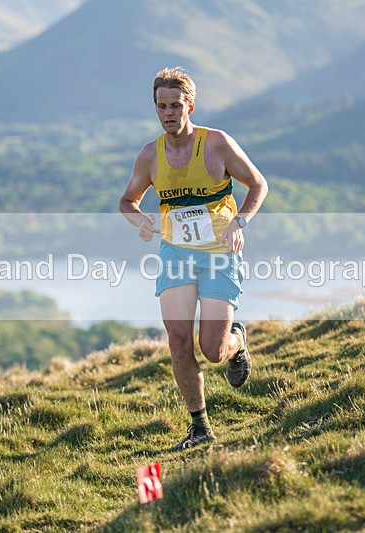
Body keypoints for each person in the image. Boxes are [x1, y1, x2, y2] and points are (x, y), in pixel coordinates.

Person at [119, 66, 268, 451]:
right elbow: (127, 201)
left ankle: (237, 340)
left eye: (175, 105)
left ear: (190, 106)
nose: (168, 113)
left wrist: (240, 222)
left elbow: (258, 184)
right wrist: (141, 221)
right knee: (179, 340)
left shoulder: (216, 143)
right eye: (161, 106)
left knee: (212, 350)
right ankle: (200, 426)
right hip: (176, 253)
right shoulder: (150, 155)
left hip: (220, 251)